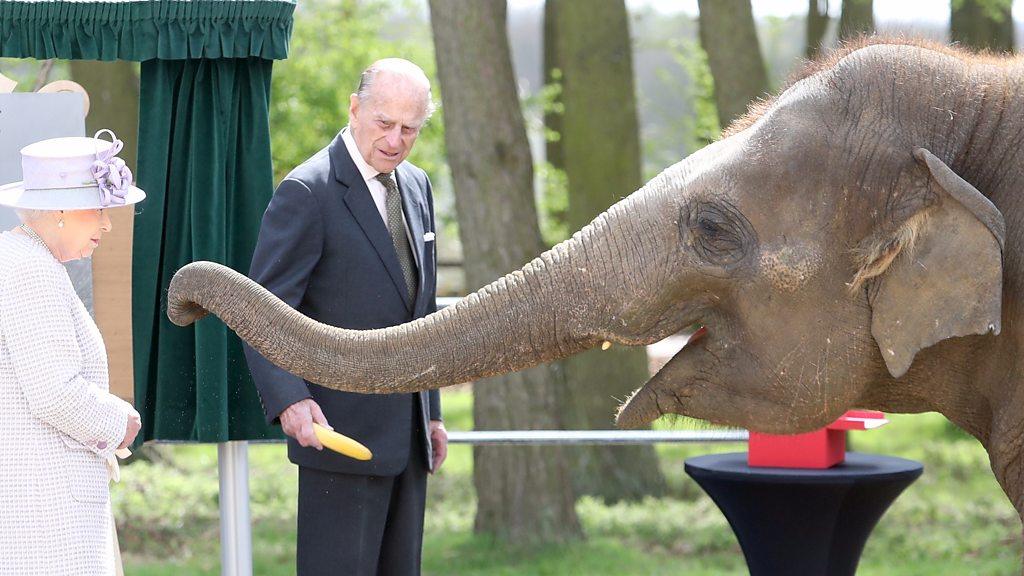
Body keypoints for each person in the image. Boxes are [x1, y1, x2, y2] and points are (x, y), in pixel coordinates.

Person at [244, 58, 448, 575]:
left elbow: (421, 311)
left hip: (410, 437)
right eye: (385, 124)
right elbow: (264, 310)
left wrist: (433, 412)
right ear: (355, 109)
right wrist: (291, 400)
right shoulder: (306, 192)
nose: (396, 140)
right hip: (336, 436)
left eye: (410, 129)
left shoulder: (419, 186)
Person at [0, 130, 146, 575]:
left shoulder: (27, 259)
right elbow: (53, 390)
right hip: (45, 515)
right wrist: (120, 422)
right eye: (100, 210)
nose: (107, 224)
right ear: (60, 209)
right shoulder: (29, 270)